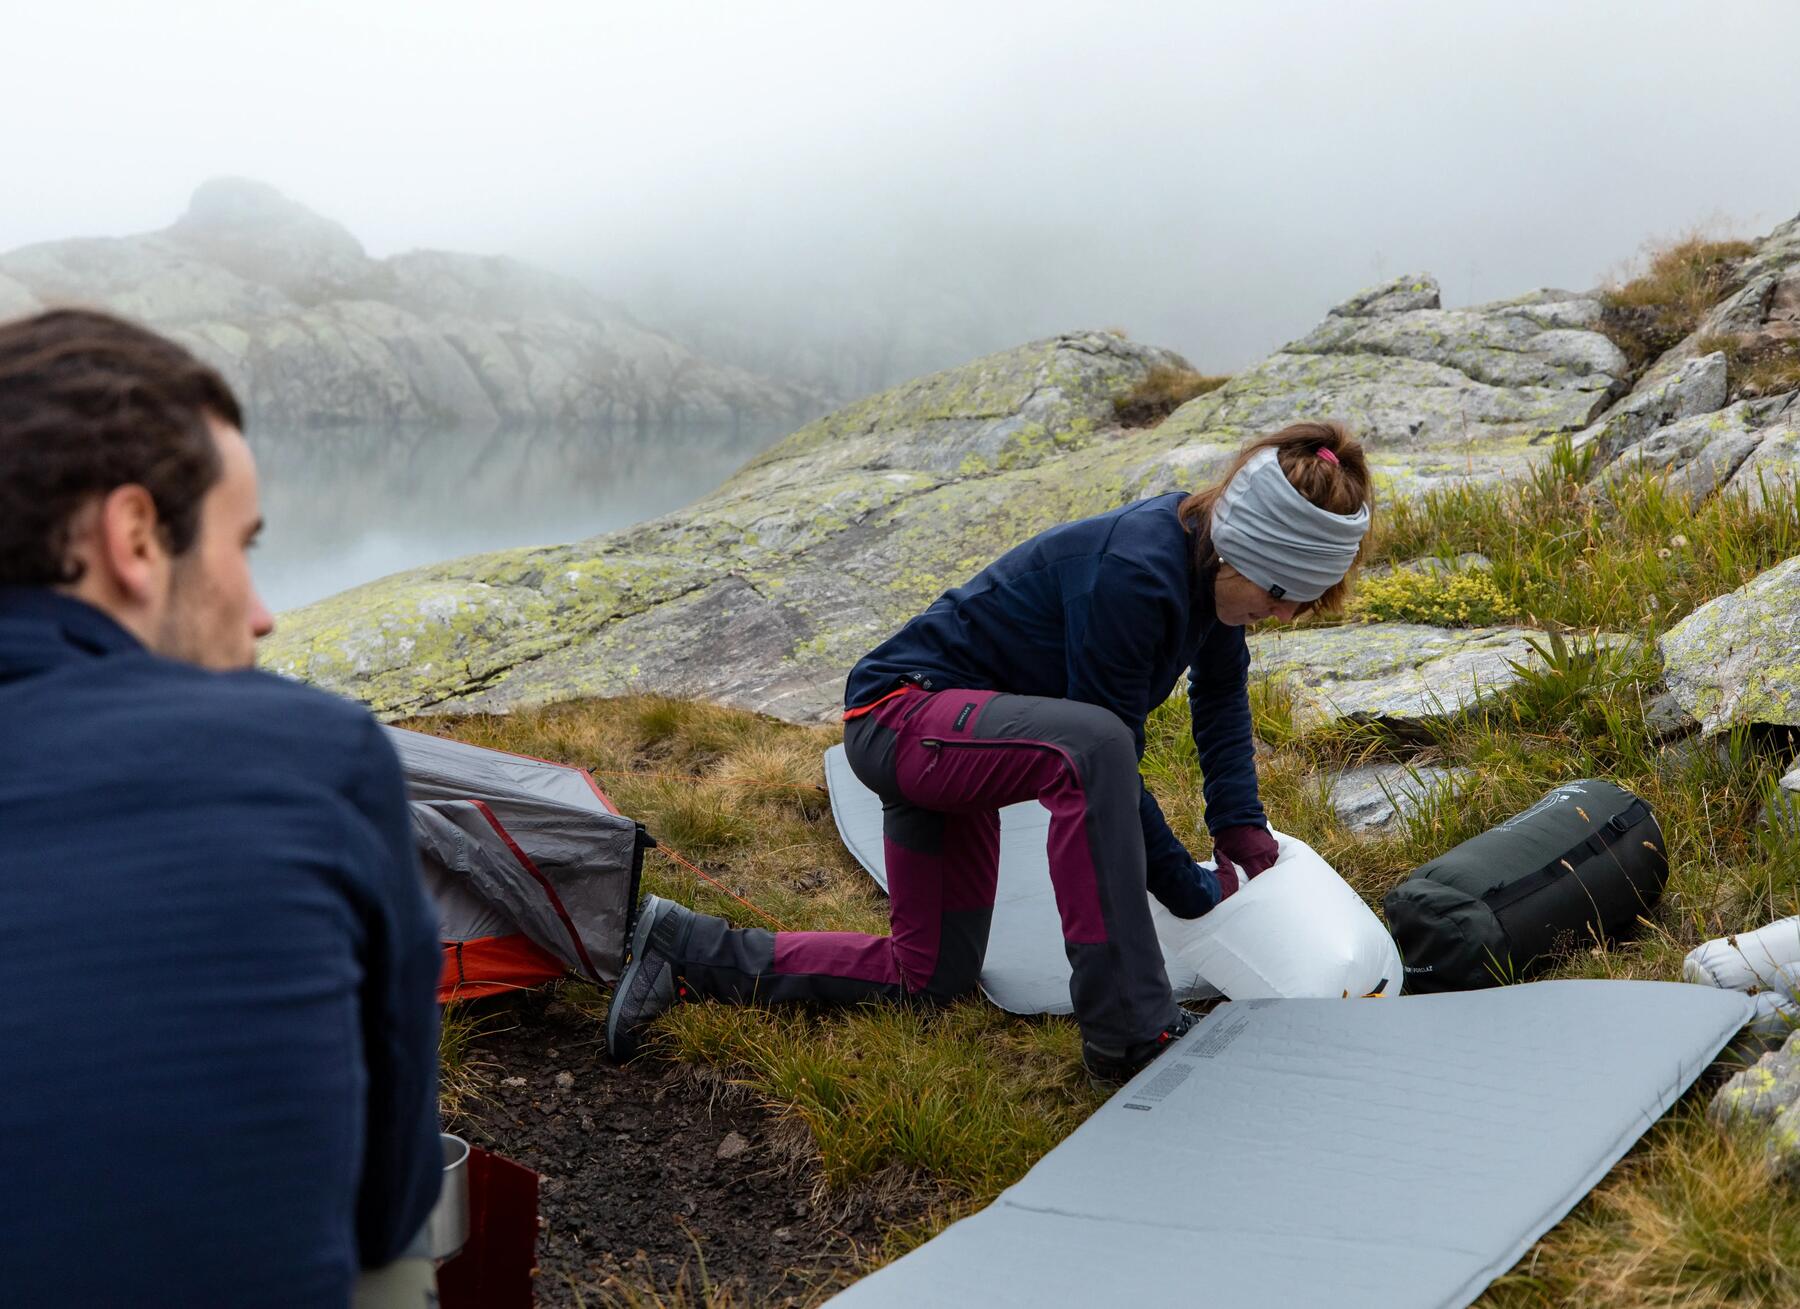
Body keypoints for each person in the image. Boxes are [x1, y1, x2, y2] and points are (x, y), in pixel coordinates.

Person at [606, 421, 1373, 1085]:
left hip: (960, 745)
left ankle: (686, 949)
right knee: (1095, 745)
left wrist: (1242, 827)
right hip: (898, 715)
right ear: (1240, 548)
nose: (1279, 615)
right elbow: (1102, 761)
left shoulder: (1212, 573)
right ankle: (1130, 1030)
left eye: (1297, 603)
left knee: (930, 980)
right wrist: (1188, 889)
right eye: (1278, 596)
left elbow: (1220, 697)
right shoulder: (1137, 574)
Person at [0, 309, 443, 1305]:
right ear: (136, 539)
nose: (262, 612)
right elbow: (387, 1196)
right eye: (241, 544)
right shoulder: (314, 753)